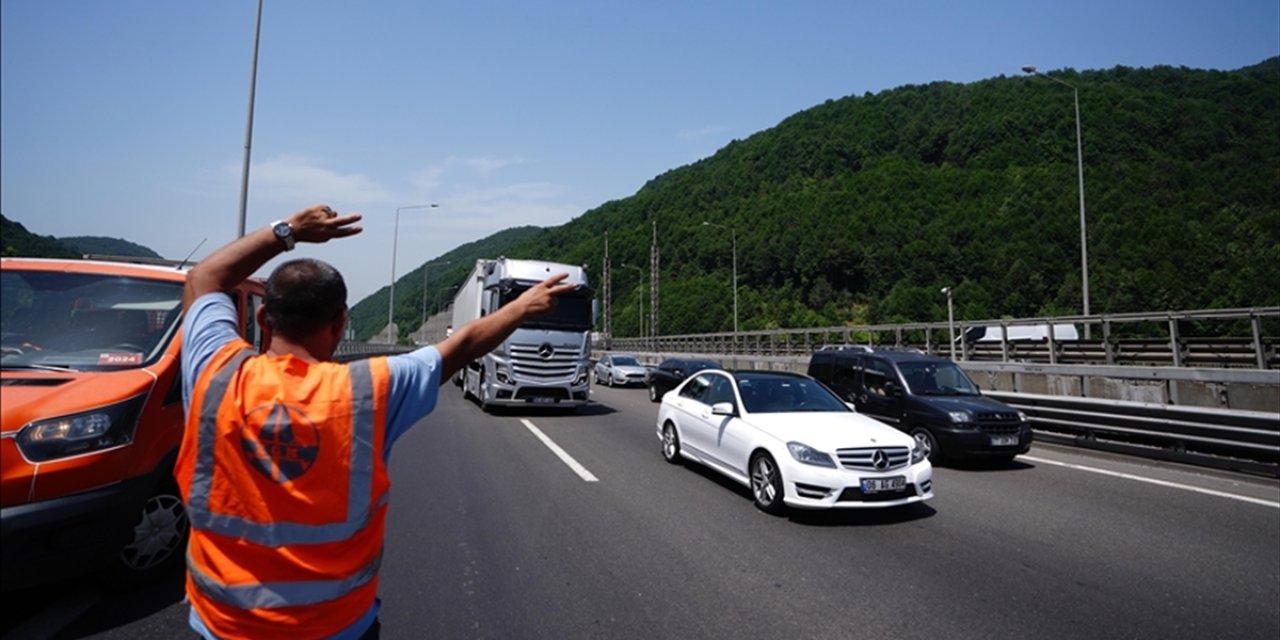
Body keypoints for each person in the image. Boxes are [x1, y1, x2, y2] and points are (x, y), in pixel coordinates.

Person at [174, 204, 576, 639]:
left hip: (220, 625)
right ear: (340, 323)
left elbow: (203, 278)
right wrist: (521, 308)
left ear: (260, 318)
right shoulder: (369, 390)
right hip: (337, 628)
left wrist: (288, 231)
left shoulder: (213, 371)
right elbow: (461, 346)